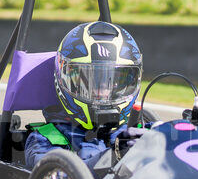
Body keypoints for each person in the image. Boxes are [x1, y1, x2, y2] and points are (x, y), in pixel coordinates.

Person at [25, 21, 145, 169]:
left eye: (113, 82)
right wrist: (114, 156)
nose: (103, 92)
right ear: (64, 80)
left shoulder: (136, 130)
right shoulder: (44, 139)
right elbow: (59, 176)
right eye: (92, 82)